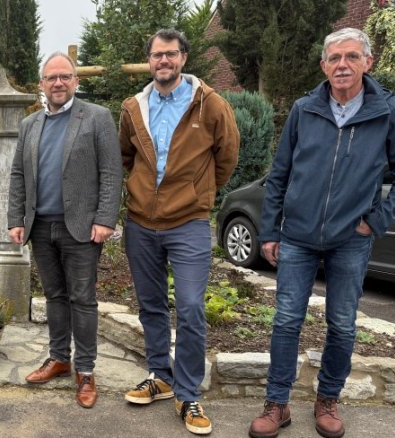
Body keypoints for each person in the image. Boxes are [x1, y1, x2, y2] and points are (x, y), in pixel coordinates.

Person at [248, 28, 395, 438]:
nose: (342, 65)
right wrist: (271, 231)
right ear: (324, 65)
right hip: (298, 237)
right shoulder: (304, 108)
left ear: (367, 62)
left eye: (351, 57)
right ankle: (277, 404)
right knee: (286, 321)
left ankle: (328, 399)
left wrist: (374, 222)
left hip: (351, 240)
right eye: (334, 59)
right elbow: (279, 176)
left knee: (342, 324)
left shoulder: (390, 111)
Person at [119, 28, 239, 435]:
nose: (163, 62)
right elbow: (126, 156)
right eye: (156, 55)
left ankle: (188, 393)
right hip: (140, 222)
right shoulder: (133, 107)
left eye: (170, 54)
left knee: (189, 307)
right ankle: (161, 376)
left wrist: (198, 193)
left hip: (188, 222)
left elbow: (227, 157)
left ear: (184, 58)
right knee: (151, 305)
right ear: (149, 61)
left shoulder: (210, 105)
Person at [7, 52, 123, 409]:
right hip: (40, 225)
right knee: (55, 296)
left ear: (76, 81)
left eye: (65, 77)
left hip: (81, 228)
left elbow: (111, 172)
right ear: (42, 84)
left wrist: (105, 219)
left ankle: (85, 371)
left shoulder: (97, 118)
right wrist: (16, 219)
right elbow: (18, 174)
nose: (58, 83)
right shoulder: (30, 125)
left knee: (82, 299)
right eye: (51, 77)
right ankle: (59, 358)